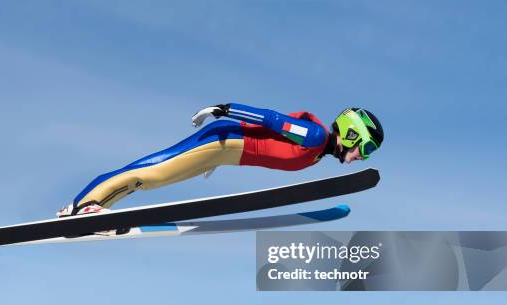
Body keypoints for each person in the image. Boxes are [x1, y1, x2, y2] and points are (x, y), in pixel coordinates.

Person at [57, 103, 384, 217]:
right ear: (351, 134)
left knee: (153, 180)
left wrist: (218, 160)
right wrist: (223, 109)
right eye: (364, 149)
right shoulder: (314, 137)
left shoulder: (316, 154)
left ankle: (93, 210)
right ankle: (78, 205)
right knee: (152, 171)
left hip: (226, 153)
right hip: (222, 140)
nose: (360, 157)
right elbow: (271, 119)